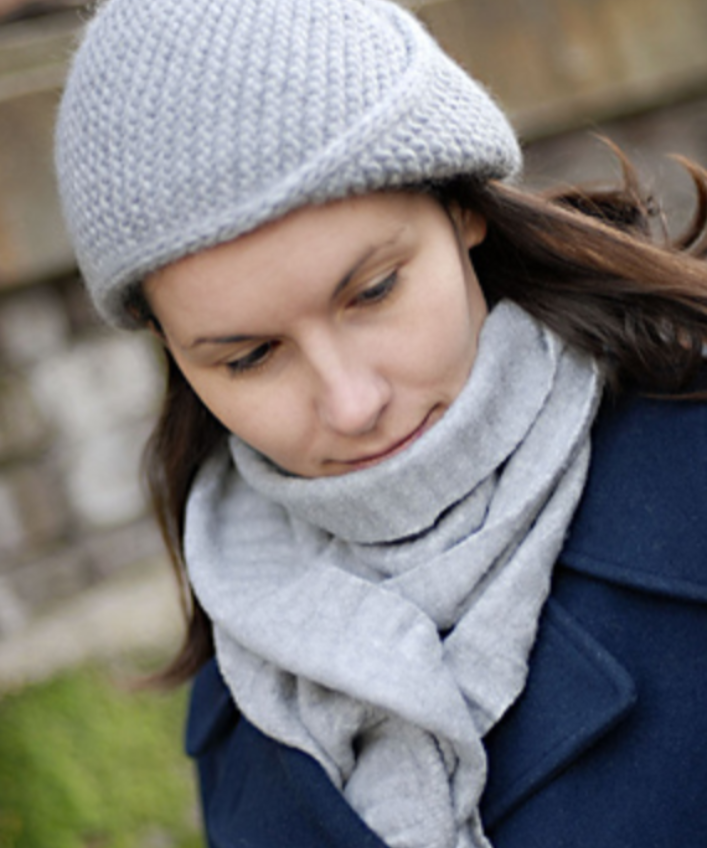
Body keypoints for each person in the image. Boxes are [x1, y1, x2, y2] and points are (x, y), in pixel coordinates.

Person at [54, 0, 707, 846]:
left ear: (460, 206)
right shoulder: (240, 662)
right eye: (249, 357)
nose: (352, 404)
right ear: (173, 354)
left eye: (372, 292)